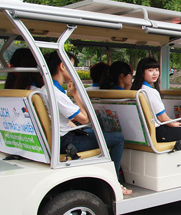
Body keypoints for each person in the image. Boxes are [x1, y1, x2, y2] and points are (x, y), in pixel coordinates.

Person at [44, 52, 131, 194]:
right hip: (67, 141)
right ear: (62, 66)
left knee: (95, 133)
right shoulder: (57, 94)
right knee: (118, 138)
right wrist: (76, 94)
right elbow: (85, 119)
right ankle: (115, 181)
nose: (74, 71)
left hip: (61, 137)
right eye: (72, 67)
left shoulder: (45, 89)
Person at [131, 57, 181, 179]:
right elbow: (162, 118)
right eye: (150, 70)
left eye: (156, 70)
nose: (155, 73)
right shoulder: (151, 92)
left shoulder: (137, 90)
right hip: (159, 131)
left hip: (146, 132)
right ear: (142, 72)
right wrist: (174, 124)